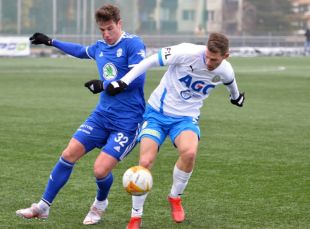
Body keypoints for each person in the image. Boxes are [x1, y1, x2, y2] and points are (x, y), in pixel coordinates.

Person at [16, 4, 146, 225]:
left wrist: (104, 85)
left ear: (119, 24)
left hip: (128, 121)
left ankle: (100, 203)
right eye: (102, 30)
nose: (106, 34)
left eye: (110, 28)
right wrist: (51, 42)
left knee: (100, 170)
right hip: (101, 116)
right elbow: (80, 50)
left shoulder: (133, 44)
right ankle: (43, 206)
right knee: (68, 154)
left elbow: (138, 79)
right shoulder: (100, 46)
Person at [103, 32, 245, 229]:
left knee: (189, 152)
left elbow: (232, 87)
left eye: (214, 60)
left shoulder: (226, 70)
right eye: (207, 56)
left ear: (225, 56)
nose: (209, 62)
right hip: (156, 114)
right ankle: (136, 217)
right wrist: (123, 81)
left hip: (185, 118)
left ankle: (175, 197)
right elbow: (150, 61)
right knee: (145, 162)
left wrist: (236, 98)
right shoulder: (185, 52)